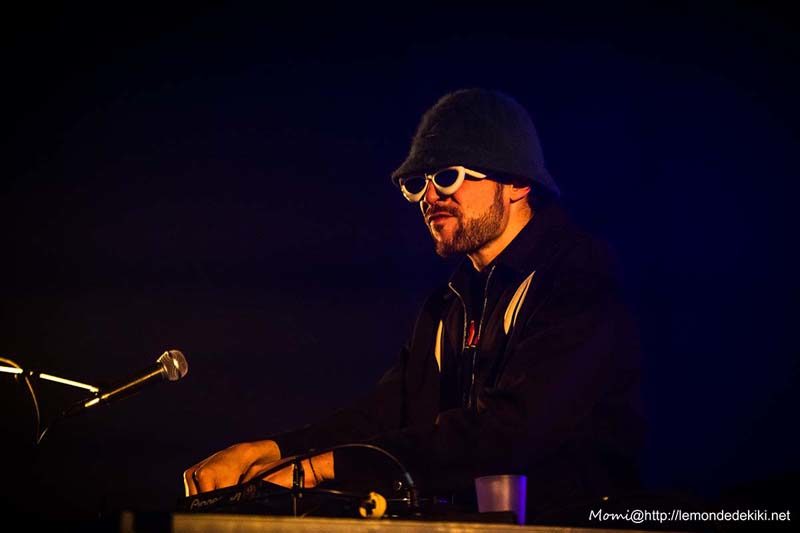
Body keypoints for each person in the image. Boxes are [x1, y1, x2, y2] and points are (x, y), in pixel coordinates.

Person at [183, 88, 645, 524]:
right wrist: (274, 450)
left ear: (517, 183)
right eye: (416, 183)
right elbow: (390, 412)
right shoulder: (448, 304)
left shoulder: (577, 277)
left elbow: (512, 431)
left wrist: (321, 468)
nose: (430, 196)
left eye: (448, 176)